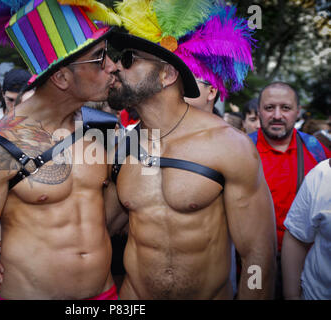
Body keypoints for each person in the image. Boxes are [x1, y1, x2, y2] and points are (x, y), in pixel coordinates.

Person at [102, 0, 277, 299]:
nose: (116, 66)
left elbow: (258, 257)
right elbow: (93, 233)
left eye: (129, 58)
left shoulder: (227, 146)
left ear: (167, 75)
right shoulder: (121, 149)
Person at [0, 0, 122, 300]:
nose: (112, 66)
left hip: (103, 297)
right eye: (99, 58)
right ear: (61, 77)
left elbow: (112, 217)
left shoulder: (103, 130)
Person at [248, 81, 331, 298]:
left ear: (297, 112)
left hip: (303, 264)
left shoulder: (317, 151)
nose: (277, 115)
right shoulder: (240, 148)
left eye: (285, 108)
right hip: (251, 264)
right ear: (259, 112)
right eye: (269, 108)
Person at [281, 159, 331, 300]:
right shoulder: (322, 175)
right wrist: (292, 295)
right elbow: (297, 236)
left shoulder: (313, 146)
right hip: (316, 293)